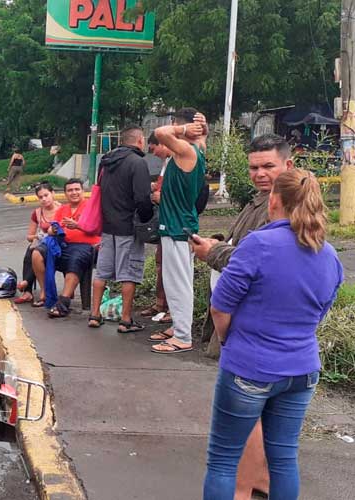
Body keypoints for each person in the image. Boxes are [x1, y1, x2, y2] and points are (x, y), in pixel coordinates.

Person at [202, 168, 343, 499]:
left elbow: (220, 307)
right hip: (302, 369)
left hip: (249, 367)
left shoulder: (259, 244)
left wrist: (227, 341)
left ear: (275, 200)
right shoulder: (329, 254)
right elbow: (320, 312)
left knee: (223, 460)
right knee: (283, 459)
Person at [191, 133, 294, 499]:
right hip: (280, 341)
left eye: (268, 166)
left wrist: (214, 253)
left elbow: (261, 262)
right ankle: (261, 484)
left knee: (245, 426)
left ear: (288, 165)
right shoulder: (258, 203)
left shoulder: (288, 209)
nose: (260, 174)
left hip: (249, 330)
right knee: (274, 433)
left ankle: (247, 489)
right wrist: (222, 243)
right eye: (254, 167)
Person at [149, 108, 207, 354]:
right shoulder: (197, 148)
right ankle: (177, 327)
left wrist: (183, 129)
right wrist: (202, 126)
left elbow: (160, 132)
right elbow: (200, 137)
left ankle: (183, 336)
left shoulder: (186, 150)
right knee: (174, 283)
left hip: (178, 227)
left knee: (179, 284)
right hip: (177, 225)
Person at [88, 126, 154, 331]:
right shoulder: (138, 163)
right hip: (129, 227)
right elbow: (142, 198)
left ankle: (94, 314)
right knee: (129, 273)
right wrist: (147, 218)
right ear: (139, 140)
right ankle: (126, 320)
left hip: (107, 226)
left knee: (102, 272)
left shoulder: (106, 162)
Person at [31, 178, 101, 317]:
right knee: (37, 253)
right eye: (70, 190)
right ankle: (46, 292)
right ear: (65, 193)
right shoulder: (62, 209)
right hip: (63, 244)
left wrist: (77, 225)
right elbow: (51, 229)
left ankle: (63, 303)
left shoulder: (90, 207)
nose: (74, 192)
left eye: (77, 189)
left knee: (75, 259)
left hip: (86, 246)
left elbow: (97, 228)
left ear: (82, 191)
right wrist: (54, 230)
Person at [139, 132, 172, 324]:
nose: (154, 153)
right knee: (160, 262)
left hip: (174, 223)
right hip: (164, 221)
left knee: (170, 266)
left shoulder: (178, 162)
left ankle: (170, 308)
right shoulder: (167, 164)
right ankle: (160, 303)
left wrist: (162, 197)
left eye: (154, 149)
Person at [15, 182, 61, 305]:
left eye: (46, 195)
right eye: (40, 197)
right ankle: (28, 292)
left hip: (58, 245)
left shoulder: (62, 210)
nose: (44, 199)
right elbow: (29, 237)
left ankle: (27, 283)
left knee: (36, 251)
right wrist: (38, 236)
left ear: (53, 194)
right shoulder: (37, 213)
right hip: (42, 243)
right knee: (31, 249)